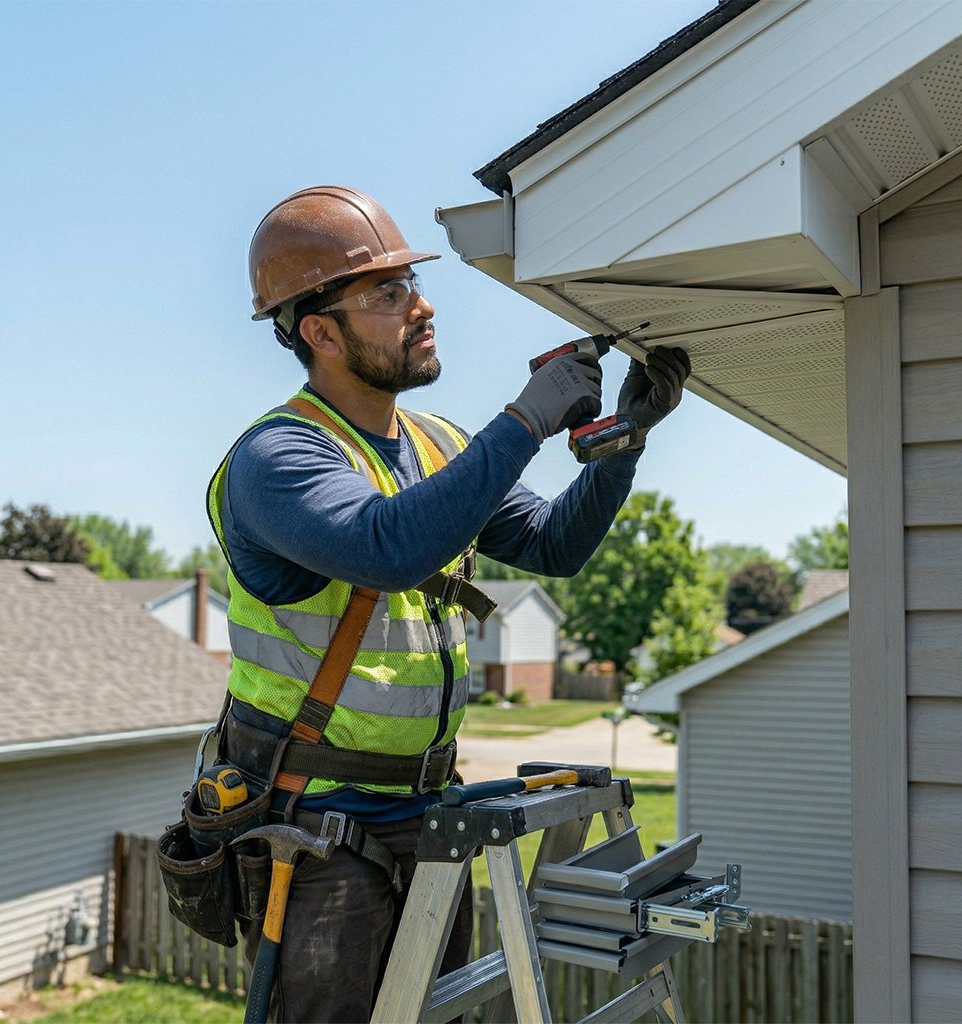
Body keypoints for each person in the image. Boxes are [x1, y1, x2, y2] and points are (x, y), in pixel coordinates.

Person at [207, 185, 691, 1023]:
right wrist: (525, 421)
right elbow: (385, 546)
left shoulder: (436, 445)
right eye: (386, 294)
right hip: (318, 825)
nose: (421, 308)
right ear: (320, 332)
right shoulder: (277, 457)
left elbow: (551, 546)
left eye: (414, 287)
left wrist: (622, 444)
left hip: (427, 810)